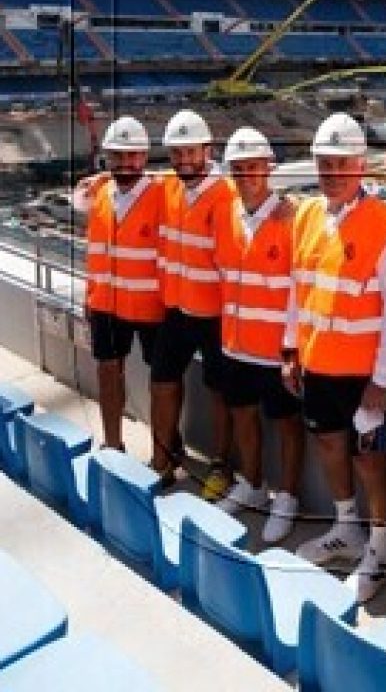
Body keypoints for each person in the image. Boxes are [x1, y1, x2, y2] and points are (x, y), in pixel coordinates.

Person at [285, 112, 386, 604]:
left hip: (363, 376)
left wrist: (380, 383)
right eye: (324, 163)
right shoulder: (307, 216)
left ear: (362, 166)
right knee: (331, 448)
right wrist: (291, 349)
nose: (332, 172)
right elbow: (299, 289)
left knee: (370, 461)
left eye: (342, 163)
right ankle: (346, 529)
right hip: (318, 367)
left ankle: (381, 547)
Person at [214, 127, 305, 543]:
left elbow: (298, 288)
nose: (247, 175)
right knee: (243, 417)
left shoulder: (291, 219)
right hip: (236, 345)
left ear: (268, 169)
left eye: (254, 167)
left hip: (274, 351)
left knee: (287, 426)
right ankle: (251, 484)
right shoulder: (228, 215)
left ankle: (286, 496)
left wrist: (291, 347)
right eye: (239, 169)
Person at [149, 108, 235, 494]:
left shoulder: (225, 195)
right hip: (177, 308)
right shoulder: (168, 186)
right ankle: (162, 458)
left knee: (221, 392)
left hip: (215, 314)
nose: (184, 161)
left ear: (207, 150)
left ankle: (221, 465)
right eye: (177, 154)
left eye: (191, 153)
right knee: (162, 382)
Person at [79, 116, 164, 452]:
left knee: (163, 382)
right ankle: (113, 444)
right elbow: (95, 251)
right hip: (106, 304)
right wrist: (91, 294)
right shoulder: (99, 192)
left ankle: (167, 449)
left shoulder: (162, 192)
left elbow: (202, 179)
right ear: (107, 157)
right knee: (108, 372)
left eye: (132, 156)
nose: (126, 163)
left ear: (144, 157)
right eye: (118, 156)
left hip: (151, 305)